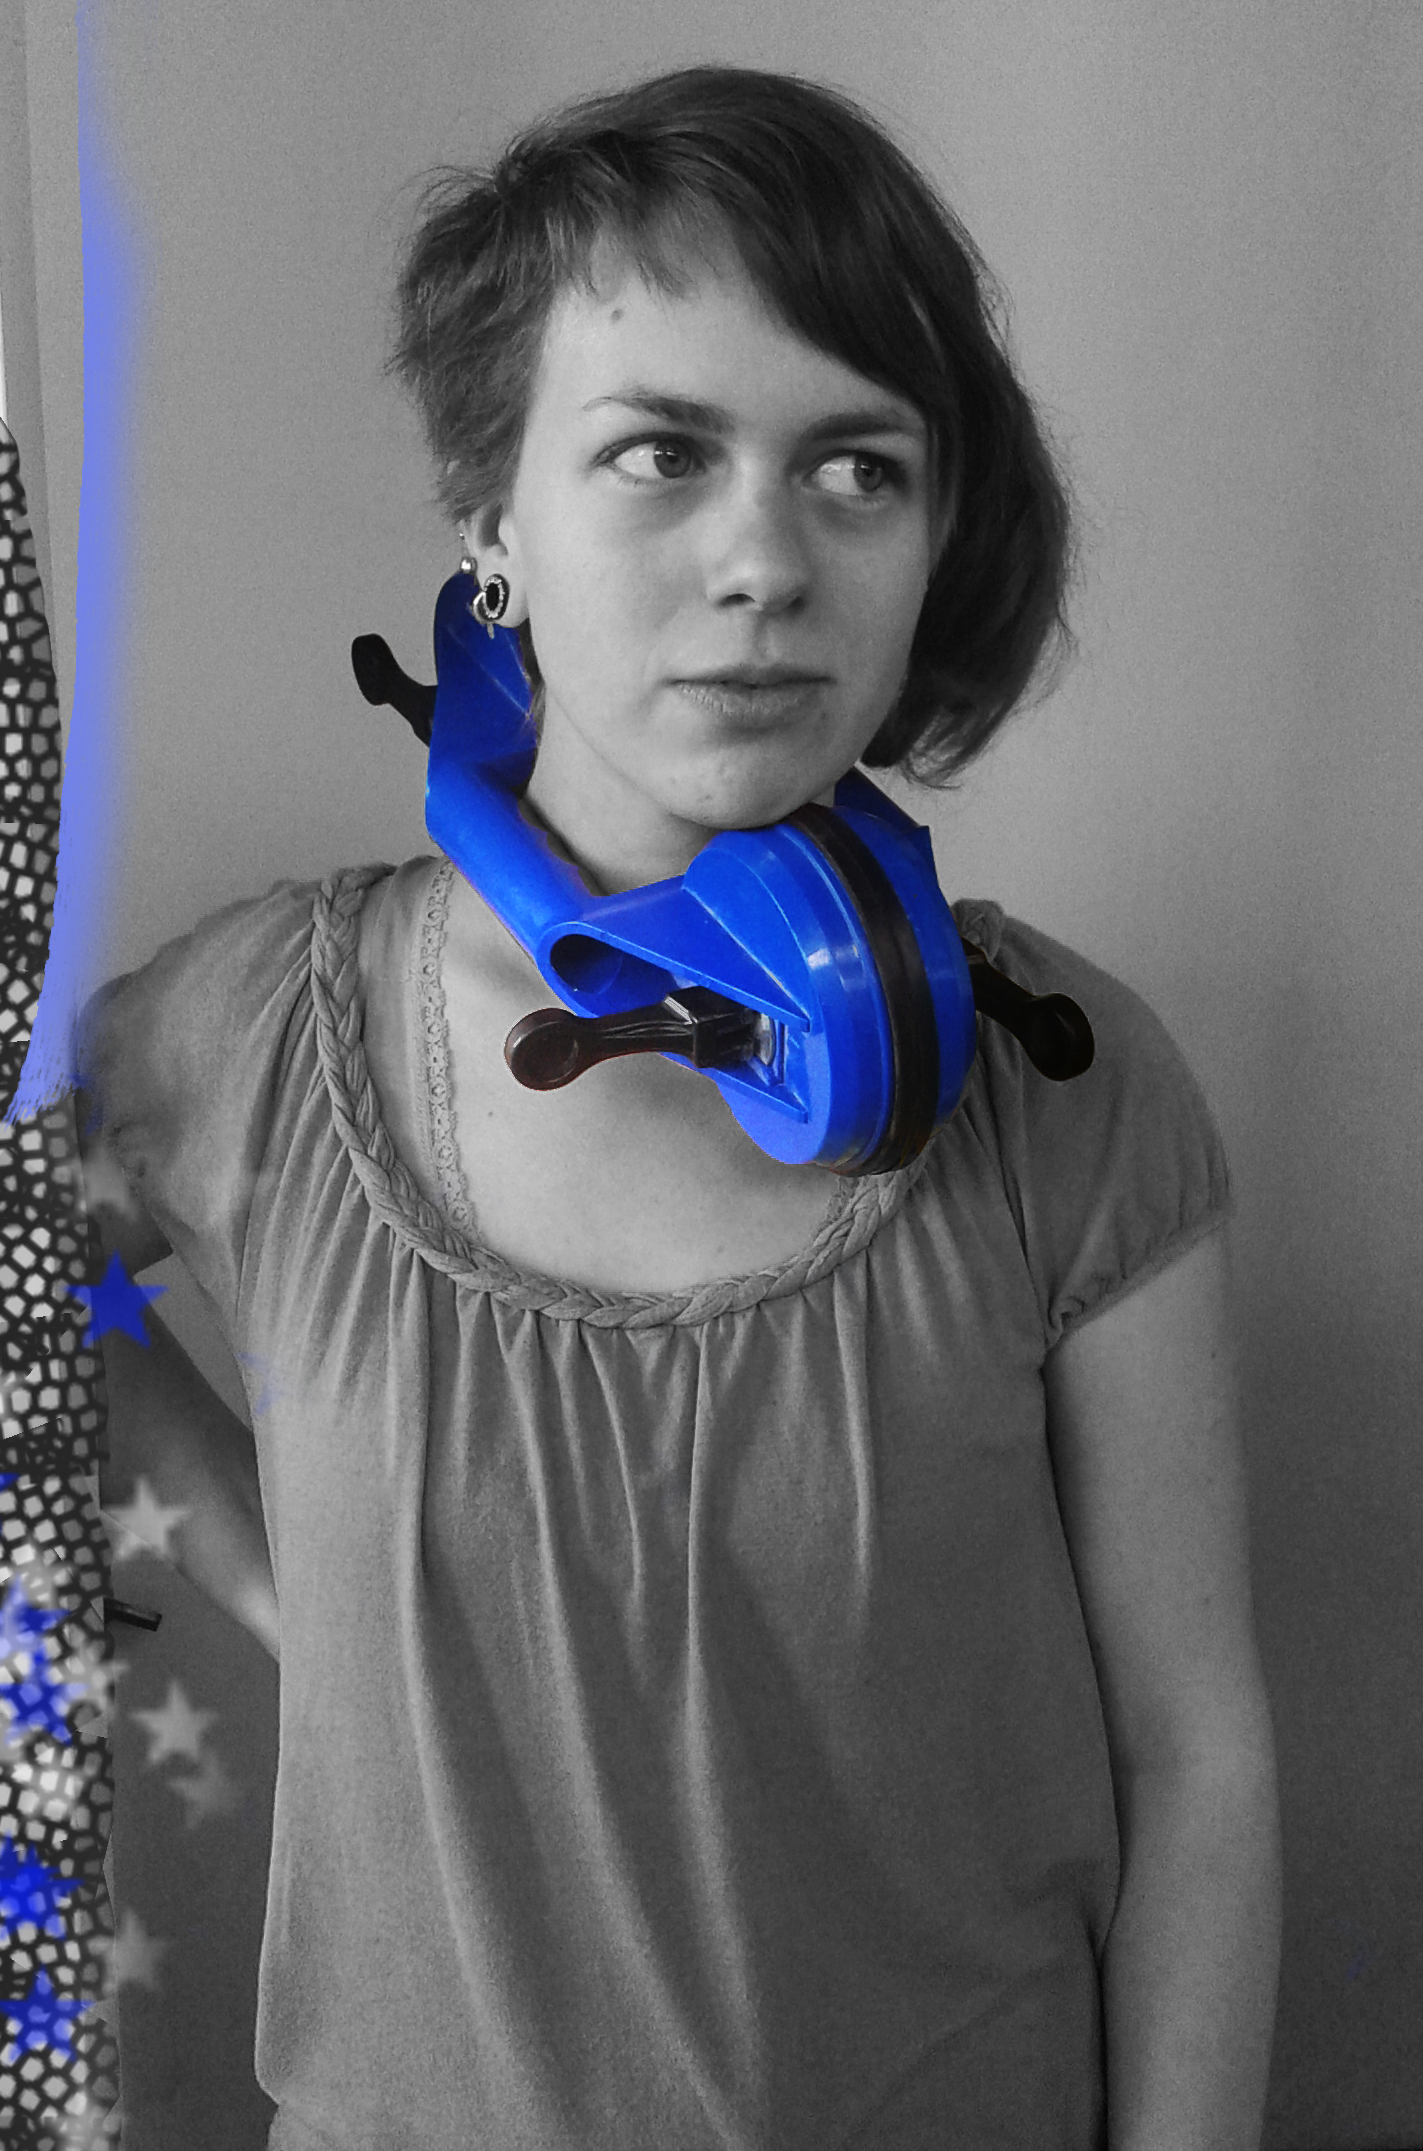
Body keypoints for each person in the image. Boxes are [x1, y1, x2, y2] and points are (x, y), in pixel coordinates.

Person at [76, 63, 1281, 2151]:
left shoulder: (1064, 1080)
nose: (763, 561)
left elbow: (1197, 1761)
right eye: (659, 453)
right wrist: (285, 1582)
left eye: (857, 469)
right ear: (495, 527)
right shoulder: (254, 1034)